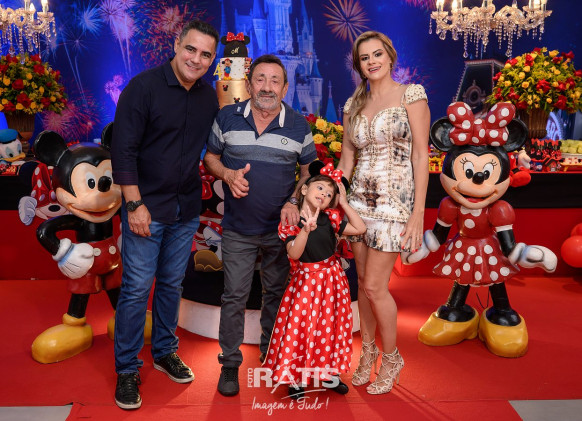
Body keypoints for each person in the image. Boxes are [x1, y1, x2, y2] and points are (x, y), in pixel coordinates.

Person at [110, 19, 219, 410]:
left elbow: (210, 151)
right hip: (146, 207)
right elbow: (123, 150)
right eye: (191, 49)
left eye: (205, 54)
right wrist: (134, 204)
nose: (196, 59)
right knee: (137, 288)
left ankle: (164, 351)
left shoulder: (208, 97)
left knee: (172, 284)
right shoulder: (142, 88)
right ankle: (127, 368)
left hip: (185, 208)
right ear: (177, 44)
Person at [203, 54, 317, 397]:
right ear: (249, 84)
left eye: (274, 80)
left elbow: (308, 173)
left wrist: (293, 201)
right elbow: (210, 158)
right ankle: (229, 364)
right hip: (238, 228)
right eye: (260, 79)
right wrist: (227, 174)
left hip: (279, 232)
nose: (267, 87)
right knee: (234, 296)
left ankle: (272, 354)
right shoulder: (227, 117)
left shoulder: (298, 125)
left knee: (277, 294)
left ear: (285, 87)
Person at [337, 31, 430, 395]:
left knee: (376, 287)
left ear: (390, 57)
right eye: (365, 58)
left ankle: (391, 358)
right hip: (358, 203)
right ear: (358, 65)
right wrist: (332, 199)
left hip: (395, 203)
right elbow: (347, 160)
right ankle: (367, 352)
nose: (372, 61)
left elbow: (421, 155)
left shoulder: (412, 95)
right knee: (363, 284)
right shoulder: (352, 104)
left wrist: (418, 212)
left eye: (377, 54)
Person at [264, 161, 366, 399]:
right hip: (306, 283)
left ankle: (328, 373)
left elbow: (360, 228)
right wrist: (305, 230)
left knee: (330, 327)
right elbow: (294, 254)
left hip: (333, 280)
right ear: (304, 189)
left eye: (329, 194)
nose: (324, 194)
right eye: (320, 188)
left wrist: (343, 203)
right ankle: (296, 379)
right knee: (301, 327)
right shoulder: (291, 221)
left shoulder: (331, 218)